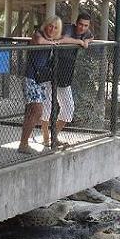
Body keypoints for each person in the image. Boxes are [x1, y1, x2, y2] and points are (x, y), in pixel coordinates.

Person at [18, 15, 88, 154]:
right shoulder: (39, 34)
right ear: (46, 25)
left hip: (43, 78)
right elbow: (39, 40)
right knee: (37, 110)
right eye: (51, 26)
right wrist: (53, 43)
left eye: (56, 27)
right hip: (32, 77)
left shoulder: (54, 38)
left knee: (36, 111)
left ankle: (28, 142)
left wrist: (80, 41)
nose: (52, 29)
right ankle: (25, 143)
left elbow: (67, 39)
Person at [39, 13, 94, 146]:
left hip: (66, 71)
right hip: (51, 67)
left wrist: (86, 41)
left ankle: (54, 136)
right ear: (76, 23)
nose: (82, 27)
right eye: (80, 24)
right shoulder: (68, 28)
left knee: (69, 108)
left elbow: (91, 37)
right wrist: (80, 42)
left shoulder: (87, 32)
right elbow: (62, 39)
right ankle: (46, 137)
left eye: (85, 25)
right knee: (47, 105)